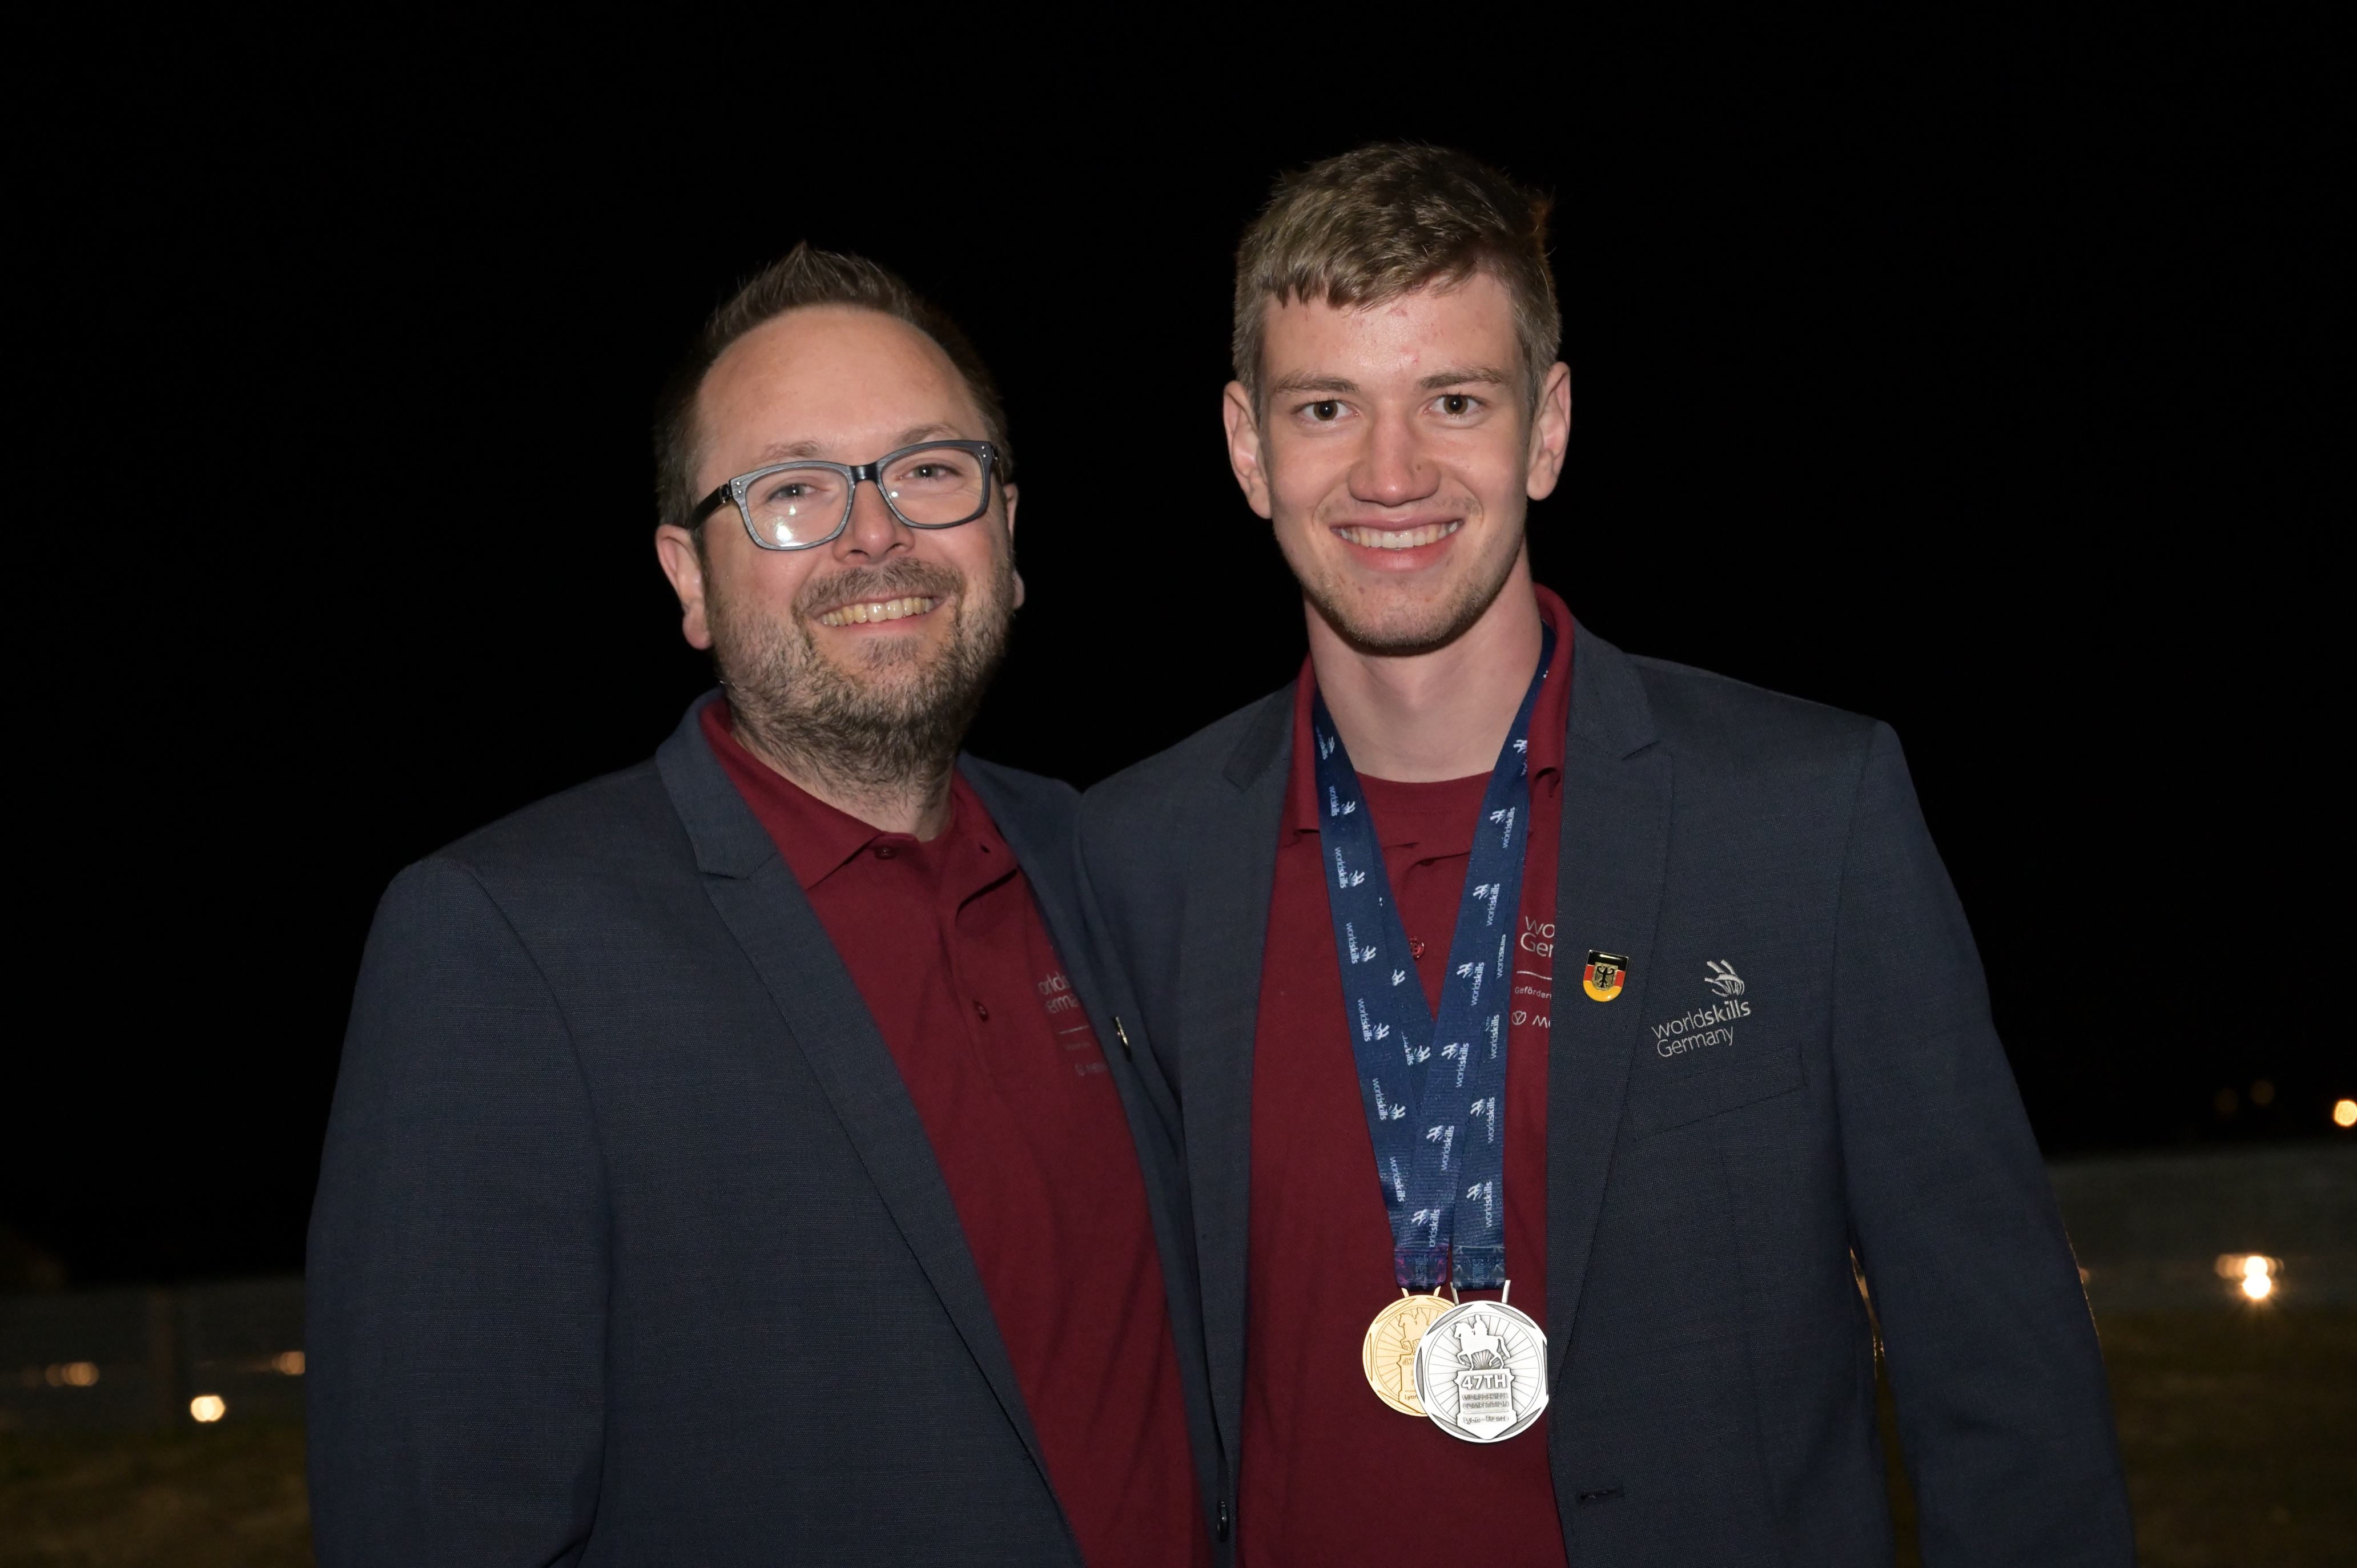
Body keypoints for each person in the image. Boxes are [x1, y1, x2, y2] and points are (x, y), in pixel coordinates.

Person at [1076, 144, 2134, 1565]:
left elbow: (2004, 1392)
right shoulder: (1129, 860)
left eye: (1455, 401)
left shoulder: (1803, 816)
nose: (1392, 474)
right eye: (1327, 407)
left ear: (1550, 427)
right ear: (1248, 447)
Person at [307, 244, 1217, 1566]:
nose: (873, 532)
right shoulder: (506, 945)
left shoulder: (1112, 865)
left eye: (928, 471)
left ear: (1009, 532)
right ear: (687, 576)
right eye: (790, 491)